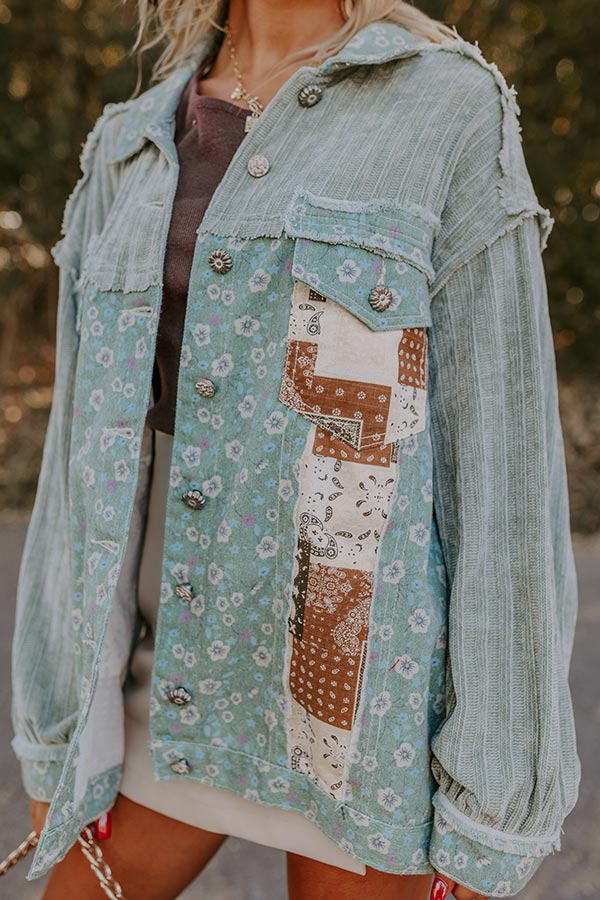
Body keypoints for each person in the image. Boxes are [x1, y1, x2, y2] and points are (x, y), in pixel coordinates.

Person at [10, 0, 581, 898]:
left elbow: (504, 478)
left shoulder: (446, 105)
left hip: (361, 701)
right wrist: (53, 735)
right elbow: (78, 474)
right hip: (163, 676)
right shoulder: (131, 141)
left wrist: (493, 808)